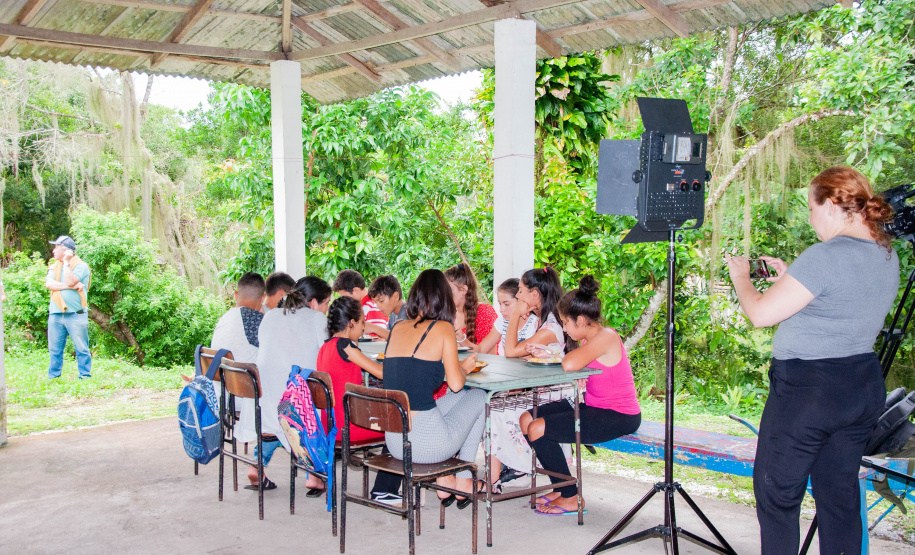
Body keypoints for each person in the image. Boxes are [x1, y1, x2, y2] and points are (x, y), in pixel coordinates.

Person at [725, 166, 898, 554]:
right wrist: (790, 278)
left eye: (811, 207)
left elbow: (760, 314)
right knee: (838, 497)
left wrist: (742, 278)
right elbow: (841, 305)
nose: (810, 217)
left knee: (777, 495)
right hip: (860, 387)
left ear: (833, 205)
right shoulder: (886, 253)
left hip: (809, 393)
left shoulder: (824, 256)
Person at [520, 276, 641, 515]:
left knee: (538, 428)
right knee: (527, 418)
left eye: (565, 322)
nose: (564, 329)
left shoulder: (605, 336)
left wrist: (556, 356)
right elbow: (571, 361)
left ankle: (571, 497)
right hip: (593, 406)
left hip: (618, 415)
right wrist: (549, 354)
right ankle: (560, 486)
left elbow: (570, 364)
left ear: (582, 320)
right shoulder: (590, 338)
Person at [382, 269, 486, 507]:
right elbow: (457, 383)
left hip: (396, 442)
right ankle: (463, 480)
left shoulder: (397, 327)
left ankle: (448, 481)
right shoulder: (442, 328)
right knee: (479, 395)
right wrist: (466, 368)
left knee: (456, 400)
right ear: (445, 299)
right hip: (428, 445)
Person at [246, 276, 332, 491]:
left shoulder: (271, 315)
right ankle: (314, 475)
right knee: (316, 404)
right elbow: (328, 356)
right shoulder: (315, 319)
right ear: (313, 303)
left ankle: (257, 466)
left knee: (276, 418)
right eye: (327, 303)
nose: (327, 308)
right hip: (294, 407)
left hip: (261, 403)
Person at [476, 278, 559, 489]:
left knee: (493, 410)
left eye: (521, 293)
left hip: (547, 392)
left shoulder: (546, 325)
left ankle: (496, 479)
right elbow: (488, 350)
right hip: (526, 388)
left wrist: (513, 316)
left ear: (535, 295)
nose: (520, 297)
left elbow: (512, 353)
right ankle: (498, 474)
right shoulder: (541, 321)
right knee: (481, 404)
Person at [45, 235, 92, 380]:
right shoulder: (54, 266)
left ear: (66, 250)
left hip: (76, 314)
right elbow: (49, 284)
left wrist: (66, 264)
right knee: (55, 349)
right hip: (56, 314)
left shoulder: (81, 266)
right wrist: (69, 286)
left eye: (56, 247)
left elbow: (72, 280)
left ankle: (84, 376)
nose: (53, 251)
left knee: (81, 348)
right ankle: (54, 377)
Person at [502, 267, 566, 358]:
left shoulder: (550, 328)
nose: (517, 295)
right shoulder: (539, 320)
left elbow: (510, 352)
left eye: (520, 291)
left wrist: (515, 314)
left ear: (535, 294)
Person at [444, 264, 497, 350]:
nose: (445, 295)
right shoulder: (446, 313)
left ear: (464, 290)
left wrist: (461, 339)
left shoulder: (485, 312)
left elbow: (491, 354)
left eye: (449, 290)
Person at [333, 270, 389, 340]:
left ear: (356, 290)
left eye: (345, 297)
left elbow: (379, 341)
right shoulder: (361, 307)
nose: (344, 300)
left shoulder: (372, 307)